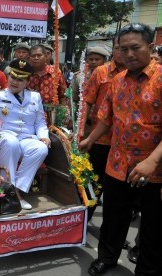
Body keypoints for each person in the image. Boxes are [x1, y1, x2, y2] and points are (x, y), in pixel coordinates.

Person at [79, 23, 162, 276]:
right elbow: (106, 118)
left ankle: (147, 270)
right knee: (114, 217)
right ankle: (107, 257)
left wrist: (152, 162)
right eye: (123, 49)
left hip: (154, 170)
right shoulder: (116, 81)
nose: (128, 54)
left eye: (135, 48)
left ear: (150, 47)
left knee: (153, 226)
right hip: (117, 163)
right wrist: (90, 139)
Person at [0, 59, 50, 210]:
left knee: (41, 148)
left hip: (26, 139)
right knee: (11, 142)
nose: (14, 81)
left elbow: (40, 122)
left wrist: (44, 136)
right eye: (12, 77)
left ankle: (16, 190)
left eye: (20, 79)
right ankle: (7, 193)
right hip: (3, 140)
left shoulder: (35, 97)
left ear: (27, 82)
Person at [78, 38, 126, 222]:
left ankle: (113, 231)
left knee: (118, 190)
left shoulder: (134, 74)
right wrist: (82, 128)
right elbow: (87, 101)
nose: (122, 52)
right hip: (99, 138)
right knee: (93, 183)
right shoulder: (101, 72)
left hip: (125, 142)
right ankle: (83, 222)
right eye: (119, 48)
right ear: (113, 50)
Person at [71, 46, 109, 112]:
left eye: (97, 59)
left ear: (104, 60)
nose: (93, 62)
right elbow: (74, 98)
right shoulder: (79, 77)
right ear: (86, 60)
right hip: (83, 116)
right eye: (91, 59)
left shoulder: (110, 77)